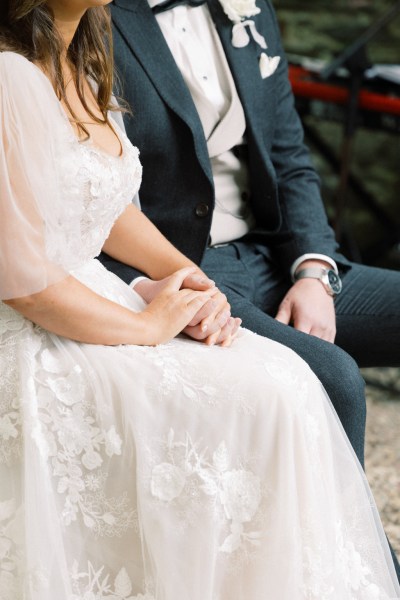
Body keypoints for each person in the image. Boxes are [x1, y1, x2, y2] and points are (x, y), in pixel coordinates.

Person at [0, 2, 399, 599]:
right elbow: (28, 273)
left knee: (282, 382)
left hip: (242, 262)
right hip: (70, 310)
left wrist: (221, 279)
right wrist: (153, 312)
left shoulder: (83, 57)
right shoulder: (17, 74)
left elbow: (112, 209)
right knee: (295, 389)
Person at [105, 0, 400, 569]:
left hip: (276, 254)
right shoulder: (94, 16)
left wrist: (313, 270)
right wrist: (162, 287)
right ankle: (368, 572)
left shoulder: (248, 6)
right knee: (331, 376)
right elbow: (106, 197)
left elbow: (289, 153)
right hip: (182, 269)